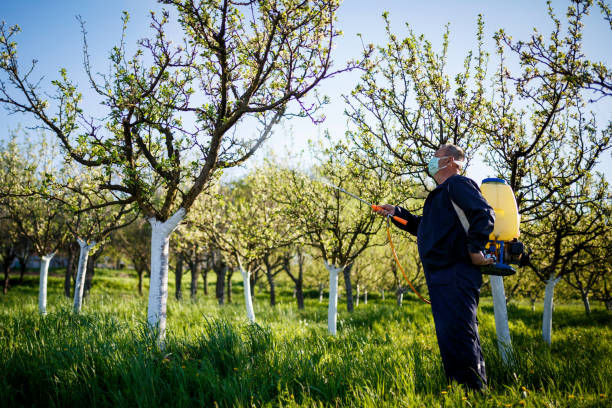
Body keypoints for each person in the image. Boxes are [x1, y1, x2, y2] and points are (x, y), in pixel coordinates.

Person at [375, 143, 495, 391]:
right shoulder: (441, 194)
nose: (431, 160)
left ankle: (473, 393)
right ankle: (461, 391)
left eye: (436, 156)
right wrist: (397, 213)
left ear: (451, 161)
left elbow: (484, 214)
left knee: (460, 335)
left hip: (457, 273)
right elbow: (425, 228)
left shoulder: (458, 185)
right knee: (450, 337)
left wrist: (474, 250)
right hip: (441, 277)